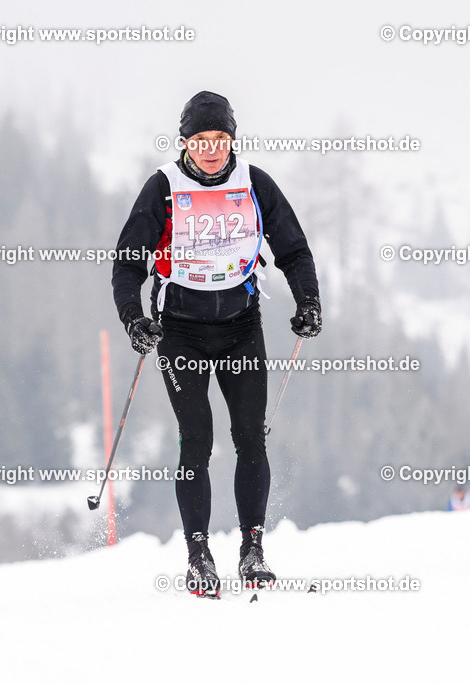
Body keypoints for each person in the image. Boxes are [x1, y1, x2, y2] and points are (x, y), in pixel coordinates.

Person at [112, 91, 321, 597]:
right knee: (197, 439)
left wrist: (308, 302)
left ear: (232, 140)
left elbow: (293, 248)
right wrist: (135, 320)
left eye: (220, 140)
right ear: (185, 142)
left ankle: (253, 549)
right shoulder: (163, 187)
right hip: (179, 330)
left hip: (240, 326)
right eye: (201, 140)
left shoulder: (255, 184)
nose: (211, 150)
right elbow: (127, 263)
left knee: (251, 436)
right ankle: (198, 555)